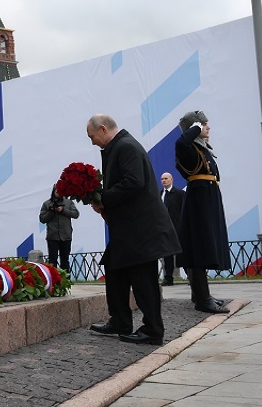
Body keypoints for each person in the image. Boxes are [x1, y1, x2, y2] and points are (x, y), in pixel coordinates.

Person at [86, 114, 182, 345]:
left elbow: (133, 182)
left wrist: (104, 199)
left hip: (141, 229)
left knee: (143, 279)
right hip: (130, 228)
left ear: (102, 129)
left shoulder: (126, 146)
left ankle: (152, 330)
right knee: (115, 268)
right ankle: (119, 320)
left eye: (92, 137)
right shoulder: (120, 146)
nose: (92, 142)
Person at [175, 110, 231, 314]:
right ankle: (202, 299)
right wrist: (195, 128)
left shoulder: (202, 148)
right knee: (198, 249)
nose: (207, 127)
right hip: (199, 199)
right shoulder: (187, 147)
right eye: (203, 125)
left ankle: (201, 294)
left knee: (203, 247)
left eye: (205, 124)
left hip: (207, 197)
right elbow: (181, 143)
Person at [39, 184, 79, 273]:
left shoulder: (69, 203)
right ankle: (53, 281)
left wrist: (63, 210)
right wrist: (51, 211)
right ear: (53, 191)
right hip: (52, 236)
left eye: (60, 191)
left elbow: (76, 214)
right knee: (52, 260)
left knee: (65, 260)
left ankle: (66, 281)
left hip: (66, 236)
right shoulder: (47, 204)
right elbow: (42, 219)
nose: (58, 193)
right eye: (56, 191)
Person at [159, 172, 185, 286]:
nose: (164, 180)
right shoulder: (159, 194)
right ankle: (168, 278)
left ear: (171, 179)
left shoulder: (179, 194)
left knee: (182, 252)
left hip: (178, 228)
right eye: (162, 179)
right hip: (165, 229)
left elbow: (184, 210)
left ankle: (190, 276)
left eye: (166, 178)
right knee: (167, 254)